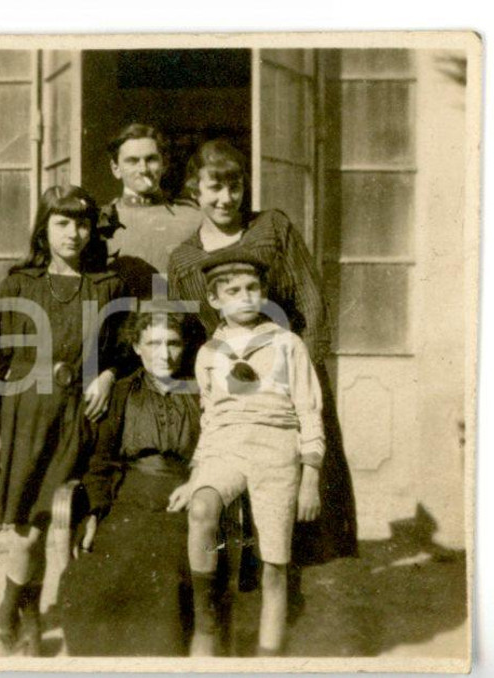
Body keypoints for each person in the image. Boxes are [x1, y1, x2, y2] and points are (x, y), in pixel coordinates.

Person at [167, 139, 357, 583]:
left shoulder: (273, 227)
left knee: (302, 481)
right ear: (195, 189)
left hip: (289, 372)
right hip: (230, 388)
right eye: (214, 187)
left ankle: (298, 577)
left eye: (234, 186)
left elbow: (309, 299)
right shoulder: (184, 259)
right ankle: (246, 576)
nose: (226, 198)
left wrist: (303, 368)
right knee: (231, 478)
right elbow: (194, 332)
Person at [0, 185, 128, 656]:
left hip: (75, 415)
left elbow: (125, 350)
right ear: (44, 227)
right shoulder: (18, 284)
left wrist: (105, 374)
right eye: (62, 222)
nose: (73, 233)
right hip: (24, 416)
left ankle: (22, 615)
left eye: (81, 223)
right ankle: (17, 610)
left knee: (49, 522)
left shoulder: (108, 286)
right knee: (27, 530)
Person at [169, 251, 325, 656]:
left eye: (253, 288)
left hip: (277, 450)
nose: (246, 297)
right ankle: (206, 626)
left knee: (275, 563)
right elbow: (210, 418)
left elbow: (309, 410)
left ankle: (268, 655)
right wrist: (197, 473)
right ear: (215, 299)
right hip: (226, 447)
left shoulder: (287, 344)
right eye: (234, 290)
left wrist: (311, 475)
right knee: (202, 508)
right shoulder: (208, 353)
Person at [57, 311, 199, 656]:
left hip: (185, 496)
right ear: (137, 347)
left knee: (165, 570)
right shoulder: (121, 393)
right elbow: (101, 461)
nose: (164, 354)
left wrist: (199, 484)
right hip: (129, 496)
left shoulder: (200, 392)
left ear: (185, 348)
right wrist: (93, 512)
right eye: (153, 343)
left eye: (173, 343)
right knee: (100, 572)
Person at [99, 123, 201, 300]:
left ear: (164, 164)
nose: (143, 169)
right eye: (132, 161)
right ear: (116, 169)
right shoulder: (99, 221)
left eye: (151, 159)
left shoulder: (193, 218)